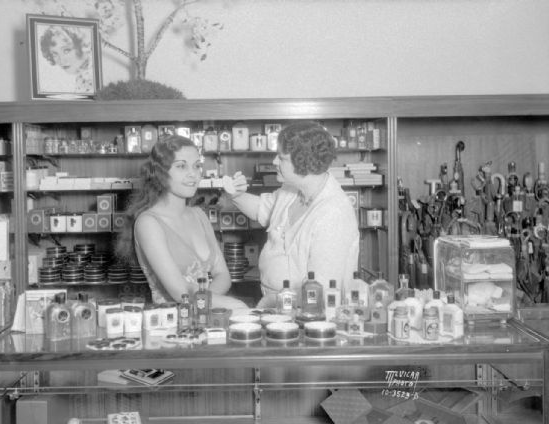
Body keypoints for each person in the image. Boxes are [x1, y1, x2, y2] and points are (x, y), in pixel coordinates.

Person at [224, 121, 360, 307]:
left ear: (303, 161)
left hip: (308, 312)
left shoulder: (333, 213)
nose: (274, 162)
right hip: (276, 304)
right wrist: (235, 195)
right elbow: (261, 209)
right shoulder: (292, 190)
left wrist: (274, 302)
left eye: (281, 158)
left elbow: (321, 289)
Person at [116, 134, 247, 309]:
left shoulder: (199, 215)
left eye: (197, 166)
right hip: (172, 325)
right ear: (160, 172)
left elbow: (223, 276)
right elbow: (180, 291)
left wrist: (204, 303)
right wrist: (235, 305)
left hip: (206, 316)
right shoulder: (148, 223)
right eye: (181, 166)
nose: (193, 174)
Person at [39, 25, 94, 94]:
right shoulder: (81, 77)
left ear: (82, 45)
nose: (62, 61)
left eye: (67, 50)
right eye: (55, 54)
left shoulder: (94, 74)